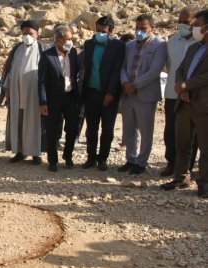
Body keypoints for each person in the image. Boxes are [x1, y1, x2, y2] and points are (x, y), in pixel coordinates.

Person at [162, 9, 208, 198]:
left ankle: (204, 183)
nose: (193, 29)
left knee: (205, 147)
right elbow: (180, 69)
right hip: (184, 102)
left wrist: (185, 85)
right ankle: (180, 176)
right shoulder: (194, 48)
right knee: (182, 143)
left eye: (197, 25)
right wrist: (180, 87)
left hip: (203, 105)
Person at [119, 14, 167, 175]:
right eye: (137, 28)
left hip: (145, 94)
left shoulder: (160, 45)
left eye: (143, 28)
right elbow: (123, 67)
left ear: (152, 28)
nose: (139, 31)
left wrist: (135, 85)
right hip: (128, 93)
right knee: (129, 129)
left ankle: (141, 162)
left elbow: (155, 70)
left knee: (146, 130)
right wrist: (126, 83)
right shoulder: (130, 45)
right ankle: (130, 159)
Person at [81, 16, 125, 171]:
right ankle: (91, 157)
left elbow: (116, 70)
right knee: (91, 128)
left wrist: (111, 92)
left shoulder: (117, 46)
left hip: (108, 95)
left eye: (103, 31)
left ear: (111, 31)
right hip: (91, 93)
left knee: (107, 129)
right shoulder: (89, 44)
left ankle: (103, 159)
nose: (99, 33)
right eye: (97, 30)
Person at [161, 7, 197, 177]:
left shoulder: (199, 43)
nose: (182, 25)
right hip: (172, 93)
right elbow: (169, 66)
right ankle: (171, 162)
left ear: (195, 23)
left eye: (186, 22)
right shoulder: (172, 41)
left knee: (191, 133)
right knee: (170, 131)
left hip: (192, 95)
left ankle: (186, 168)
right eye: (180, 22)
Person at [38, 24, 79, 172]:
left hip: (70, 97)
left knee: (73, 128)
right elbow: (41, 81)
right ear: (58, 40)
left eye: (71, 38)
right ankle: (52, 161)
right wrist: (43, 102)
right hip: (53, 99)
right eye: (67, 39)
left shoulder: (73, 53)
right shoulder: (47, 55)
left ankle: (67, 156)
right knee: (52, 131)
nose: (70, 41)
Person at [4, 20, 43, 165]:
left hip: (33, 95)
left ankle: (35, 154)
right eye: (25, 33)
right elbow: (9, 70)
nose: (28, 36)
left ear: (37, 34)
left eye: (31, 33)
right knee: (18, 123)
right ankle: (19, 152)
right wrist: (7, 92)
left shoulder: (41, 49)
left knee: (33, 124)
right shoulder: (17, 49)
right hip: (16, 94)